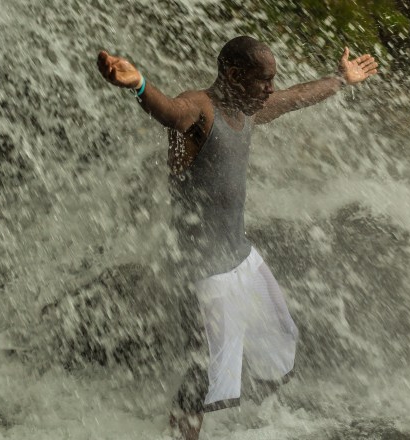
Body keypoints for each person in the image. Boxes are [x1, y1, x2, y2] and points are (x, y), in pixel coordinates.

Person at [96, 36, 378, 440]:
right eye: (263, 81)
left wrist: (340, 79)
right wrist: (140, 85)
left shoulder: (249, 111)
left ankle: (252, 421)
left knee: (280, 339)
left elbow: (297, 96)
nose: (270, 90)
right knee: (201, 371)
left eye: (272, 80)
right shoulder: (199, 108)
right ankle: (183, 435)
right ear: (233, 75)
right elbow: (171, 113)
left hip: (241, 258)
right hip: (203, 269)